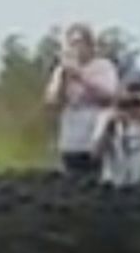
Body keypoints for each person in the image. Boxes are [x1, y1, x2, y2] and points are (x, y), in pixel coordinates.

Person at [44, 23, 119, 177]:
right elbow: (51, 101)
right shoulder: (62, 70)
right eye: (72, 43)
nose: (76, 47)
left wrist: (81, 77)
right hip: (71, 135)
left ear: (90, 45)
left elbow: (110, 94)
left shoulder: (104, 67)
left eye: (79, 43)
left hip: (95, 131)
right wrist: (63, 79)